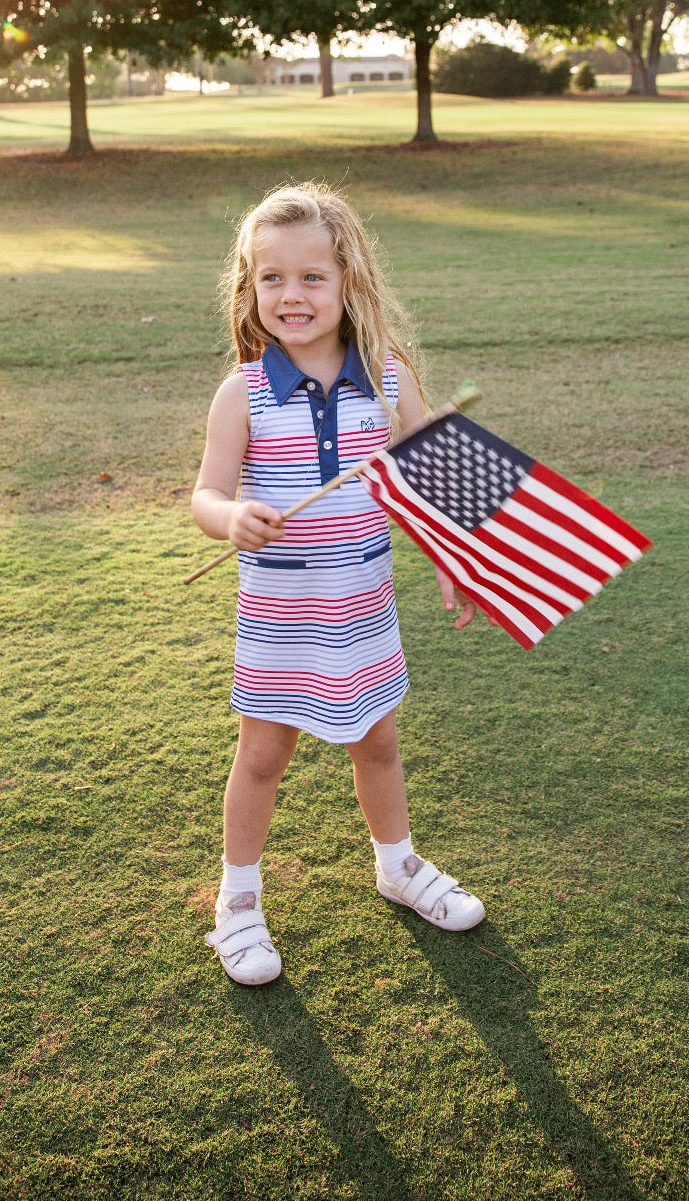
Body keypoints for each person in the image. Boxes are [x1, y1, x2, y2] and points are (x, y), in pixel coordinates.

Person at [191, 182, 485, 986]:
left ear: (349, 279)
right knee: (262, 753)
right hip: (280, 617)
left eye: (311, 276)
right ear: (249, 289)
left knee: (378, 739)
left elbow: (433, 478)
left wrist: (456, 557)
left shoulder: (388, 378)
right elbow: (205, 493)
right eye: (271, 277)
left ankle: (396, 865)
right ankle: (238, 901)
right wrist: (231, 518)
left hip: (361, 611)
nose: (291, 294)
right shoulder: (242, 392)